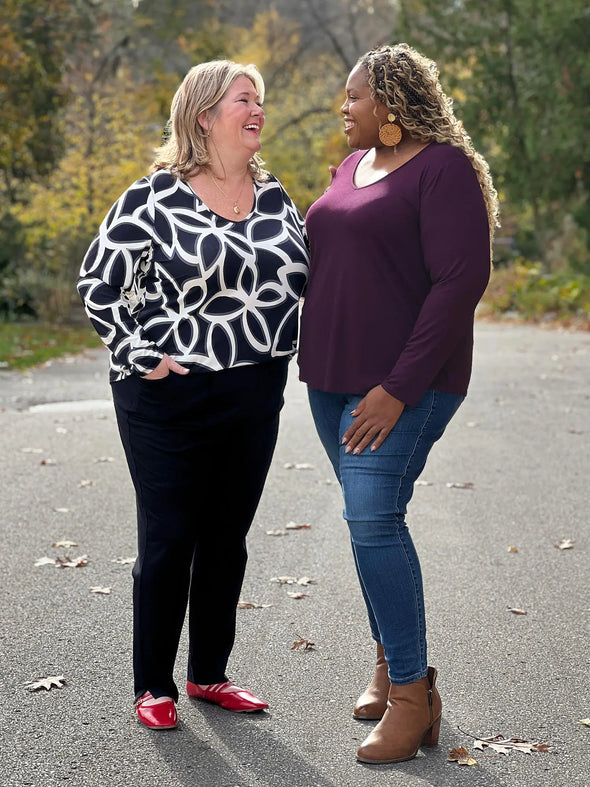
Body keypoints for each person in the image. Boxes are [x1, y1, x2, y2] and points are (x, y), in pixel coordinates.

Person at [77, 59, 309, 730]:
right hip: (166, 397)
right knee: (171, 535)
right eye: (245, 99)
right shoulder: (153, 196)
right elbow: (98, 282)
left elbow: (306, 281)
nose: (257, 108)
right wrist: (137, 353)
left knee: (226, 537)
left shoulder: (275, 196)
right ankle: (153, 684)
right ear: (206, 115)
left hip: (255, 391)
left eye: (260, 98)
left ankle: (209, 673)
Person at [298, 43, 499, 764]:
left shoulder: (443, 171)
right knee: (365, 525)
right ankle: (389, 663)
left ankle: (414, 697)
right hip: (328, 382)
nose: (342, 108)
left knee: (373, 517)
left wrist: (397, 387)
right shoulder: (348, 168)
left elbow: (458, 283)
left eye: (352, 97)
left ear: (389, 105)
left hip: (402, 388)